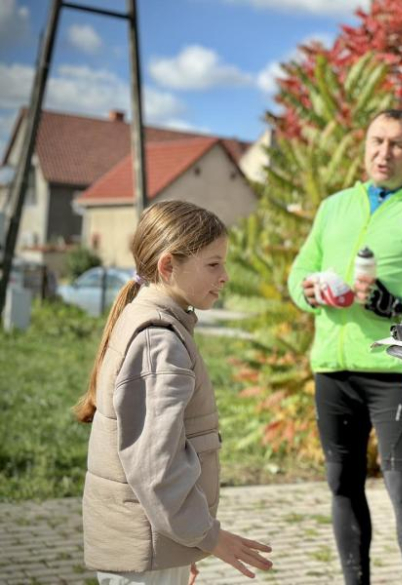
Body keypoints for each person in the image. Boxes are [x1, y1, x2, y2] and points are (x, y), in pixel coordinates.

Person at [288, 109, 402, 584]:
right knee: (342, 487)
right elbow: (297, 273)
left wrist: (401, 305)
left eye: (396, 144)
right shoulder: (334, 207)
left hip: (396, 369)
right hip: (333, 367)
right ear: (364, 144)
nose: (383, 152)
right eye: (376, 141)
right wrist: (307, 291)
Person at [74, 201, 273, 585]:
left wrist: (183, 543)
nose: (225, 276)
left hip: (154, 543)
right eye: (213, 264)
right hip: (144, 553)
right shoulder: (158, 342)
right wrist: (206, 537)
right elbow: (155, 465)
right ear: (168, 266)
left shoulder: (150, 320)